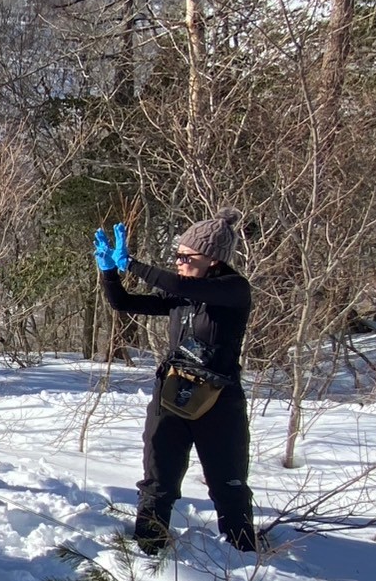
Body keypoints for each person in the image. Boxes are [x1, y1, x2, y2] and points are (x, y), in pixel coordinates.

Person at [95, 208, 259, 555]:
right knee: (158, 477)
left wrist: (134, 265)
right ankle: (149, 548)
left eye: (187, 256)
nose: (179, 262)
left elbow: (176, 283)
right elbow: (122, 303)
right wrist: (110, 273)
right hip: (173, 392)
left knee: (227, 481)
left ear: (213, 260)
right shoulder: (182, 295)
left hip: (219, 400)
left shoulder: (233, 289)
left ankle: (243, 551)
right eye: (177, 256)